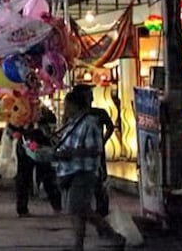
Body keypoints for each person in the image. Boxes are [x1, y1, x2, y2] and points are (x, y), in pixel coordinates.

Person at [54, 90, 125, 251]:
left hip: (83, 172)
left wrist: (72, 153)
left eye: (68, 106)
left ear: (76, 105)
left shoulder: (90, 123)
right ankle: (80, 244)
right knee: (78, 210)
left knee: (79, 208)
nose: (66, 109)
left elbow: (95, 150)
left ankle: (113, 237)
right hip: (70, 171)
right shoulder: (72, 123)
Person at [72, 84, 115, 217]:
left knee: (100, 182)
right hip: (82, 154)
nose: (91, 96)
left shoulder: (99, 113)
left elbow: (110, 127)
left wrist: (103, 140)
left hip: (94, 153)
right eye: (88, 94)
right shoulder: (77, 114)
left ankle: (101, 211)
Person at [11, 108, 62, 218]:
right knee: (25, 178)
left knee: (47, 177)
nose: (50, 130)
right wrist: (36, 148)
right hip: (28, 150)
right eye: (48, 127)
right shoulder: (31, 131)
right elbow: (30, 145)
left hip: (37, 151)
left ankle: (57, 206)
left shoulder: (42, 132)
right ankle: (23, 209)